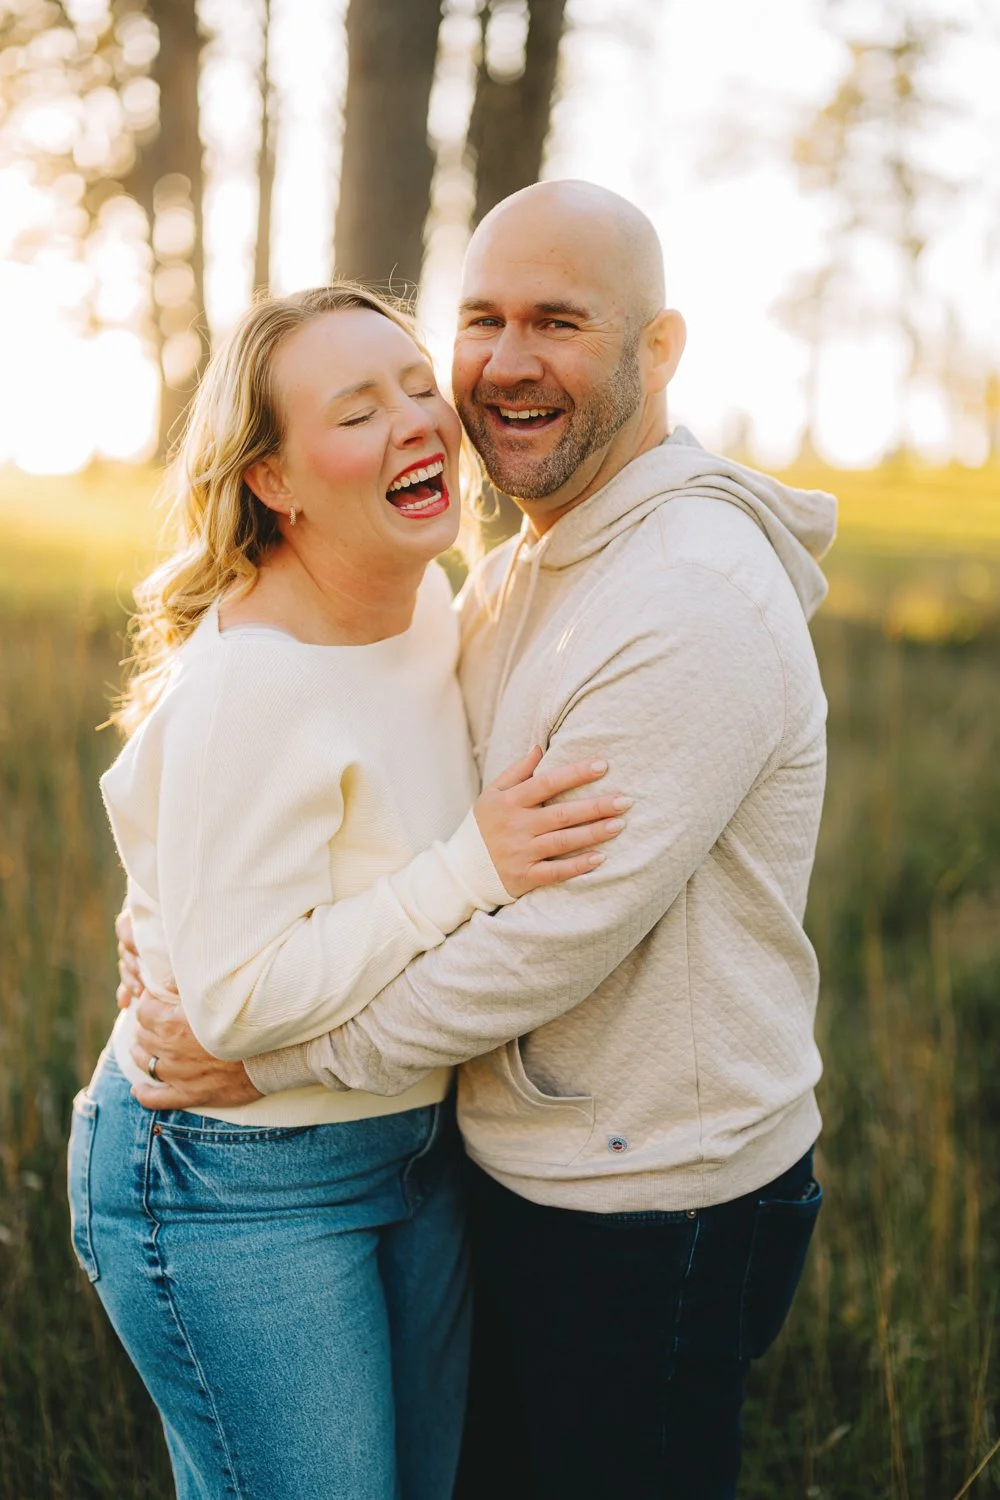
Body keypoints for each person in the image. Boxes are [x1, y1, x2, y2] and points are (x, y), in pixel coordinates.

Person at [118, 181, 838, 1500]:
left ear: (659, 348)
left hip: (650, 1201)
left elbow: (536, 946)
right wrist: (171, 922)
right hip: (508, 1166)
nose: (504, 365)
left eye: (558, 321)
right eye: (482, 320)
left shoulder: (684, 600)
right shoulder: (507, 571)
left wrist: (264, 1053)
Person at [67, 281, 631, 1500]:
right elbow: (230, 1005)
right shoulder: (253, 683)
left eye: (418, 387)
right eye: (357, 411)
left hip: (410, 1144)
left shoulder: (426, 599)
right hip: (231, 1178)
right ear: (272, 478)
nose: (417, 423)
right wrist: (470, 868)